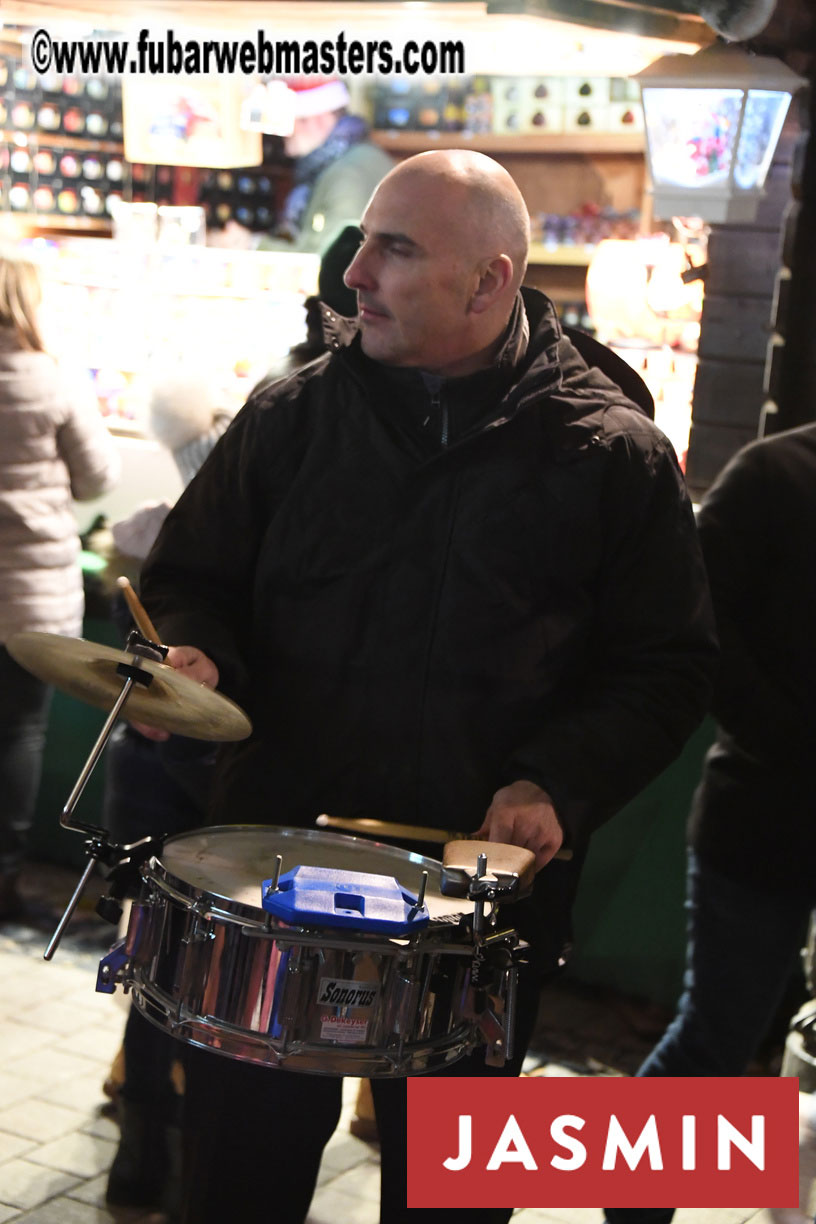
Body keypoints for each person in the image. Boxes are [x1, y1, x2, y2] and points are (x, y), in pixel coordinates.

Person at [139, 150, 717, 1224]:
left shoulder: (612, 453)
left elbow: (667, 666)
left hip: (475, 911)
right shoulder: (289, 415)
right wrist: (195, 651)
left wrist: (555, 780)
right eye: (364, 243)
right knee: (235, 1188)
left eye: (394, 250)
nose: (354, 274)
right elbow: (191, 581)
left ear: (489, 282)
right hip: (279, 884)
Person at [605, 422, 816, 1224]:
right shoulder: (775, 473)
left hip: (765, 803)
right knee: (716, 1041)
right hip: (765, 816)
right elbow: (698, 629)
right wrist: (789, 742)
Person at [0, 243, 120, 920]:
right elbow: (98, 477)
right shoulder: (52, 378)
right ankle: (4, 881)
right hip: (30, 596)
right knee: (17, 735)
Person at [211, 77, 393, 256]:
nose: (284, 133)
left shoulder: (349, 174)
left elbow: (328, 257)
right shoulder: (344, 160)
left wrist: (252, 245)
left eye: (289, 120)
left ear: (319, 119)